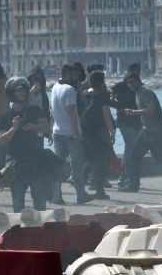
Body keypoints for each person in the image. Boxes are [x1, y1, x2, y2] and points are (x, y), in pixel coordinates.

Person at [0, 77, 54, 213]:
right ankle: (19, 229)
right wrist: (14, 128)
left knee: (39, 198)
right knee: (17, 200)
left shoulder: (34, 110)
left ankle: (41, 227)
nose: (22, 93)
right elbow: (2, 139)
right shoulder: (6, 116)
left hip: (34, 158)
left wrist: (32, 127)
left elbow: (46, 127)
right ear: (12, 93)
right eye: (18, 90)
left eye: (24, 89)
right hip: (15, 161)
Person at [119, 71, 162, 192]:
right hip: (148, 131)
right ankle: (133, 185)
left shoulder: (145, 92)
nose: (131, 84)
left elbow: (151, 110)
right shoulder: (137, 93)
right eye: (128, 82)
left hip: (157, 131)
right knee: (134, 155)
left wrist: (133, 112)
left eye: (133, 81)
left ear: (138, 81)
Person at [51, 64, 92, 204]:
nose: (76, 77)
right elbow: (72, 113)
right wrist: (77, 133)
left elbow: (52, 110)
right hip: (70, 133)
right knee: (77, 166)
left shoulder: (55, 87)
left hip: (57, 132)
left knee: (58, 166)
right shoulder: (69, 90)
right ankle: (81, 195)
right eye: (74, 75)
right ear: (68, 74)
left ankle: (57, 196)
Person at [80, 69, 115, 200]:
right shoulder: (102, 96)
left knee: (91, 158)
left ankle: (79, 180)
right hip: (98, 130)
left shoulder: (85, 94)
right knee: (100, 160)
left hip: (86, 128)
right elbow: (106, 114)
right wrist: (111, 131)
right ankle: (100, 191)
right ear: (102, 82)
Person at [110, 64, 142, 157]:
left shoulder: (138, 86)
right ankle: (129, 170)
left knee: (133, 147)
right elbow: (108, 97)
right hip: (125, 121)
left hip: (137, 120)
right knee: (131, 146)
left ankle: (127, 169)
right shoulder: (120, 86)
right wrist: (118, 107)